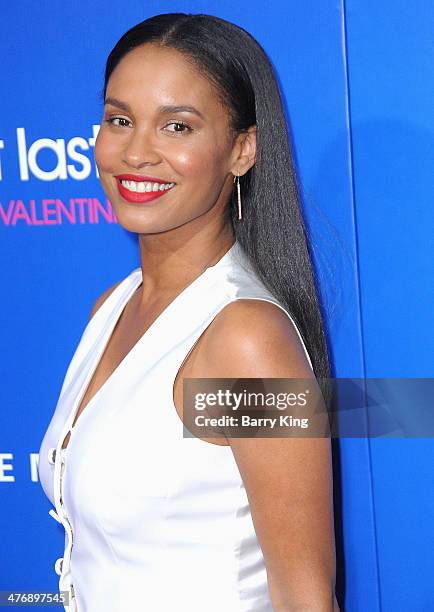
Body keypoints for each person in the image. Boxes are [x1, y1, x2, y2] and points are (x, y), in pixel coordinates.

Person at [38, 12, 339, 612]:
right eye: (119, 120)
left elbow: (305, 598)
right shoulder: (113, 308)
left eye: (177, 126)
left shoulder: (245, 340)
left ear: (241, 150)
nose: (137, 152)